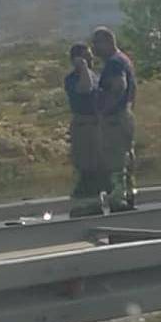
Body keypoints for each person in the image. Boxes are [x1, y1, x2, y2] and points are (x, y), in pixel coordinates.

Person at [92, 27, 137, 212]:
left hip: (115, 118)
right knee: (126, 157)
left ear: (108, 42)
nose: (94, 49)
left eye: (97, 44)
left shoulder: (114, 63)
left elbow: (119, 86)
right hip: (125, 114)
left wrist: (105, 109)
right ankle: (128, 193)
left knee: (116, 158)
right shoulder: (123, 60)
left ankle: (119, 198)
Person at [63, 43, 106, 216]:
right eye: (86, 56)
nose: (91, 59)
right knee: (86, 164)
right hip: (83, 126)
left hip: (97, 125)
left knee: (98, 165)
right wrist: (82, 68)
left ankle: (95, 202)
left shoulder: (94, 75)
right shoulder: (72, 79)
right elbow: (85, 88)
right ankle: (82, 204)